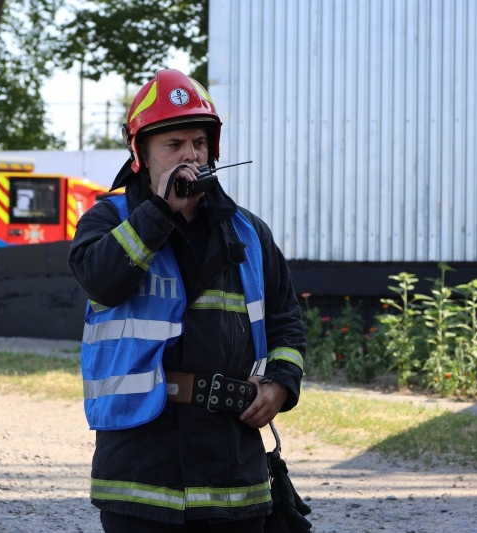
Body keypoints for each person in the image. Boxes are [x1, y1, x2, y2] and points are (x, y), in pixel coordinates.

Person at [68, 69, 306, 532]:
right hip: (141, 474)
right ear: (141, 154)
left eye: (198, 142)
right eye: (173, 144)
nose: (190, 155)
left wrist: (279, 384)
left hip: (235, 473)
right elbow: (100, 281)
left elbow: (286, 323)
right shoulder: (107, 220)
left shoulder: (249, 233)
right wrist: (158, 214)